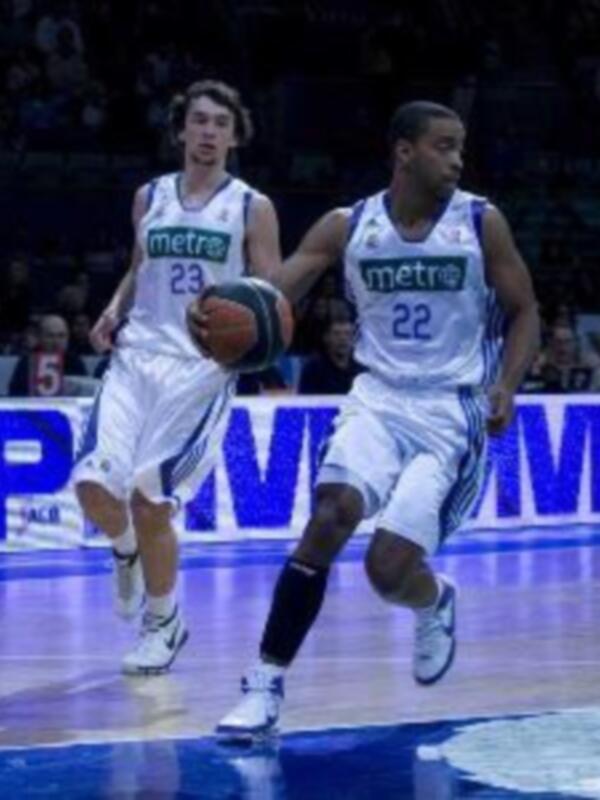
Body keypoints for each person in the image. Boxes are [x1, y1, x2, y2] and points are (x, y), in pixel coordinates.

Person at [216, 100, 540, 739]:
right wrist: (228, 314)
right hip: (377, 397)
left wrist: (506, 385)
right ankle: (265, 683)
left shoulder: (481, 222)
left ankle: (433, 598)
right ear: (404, 151)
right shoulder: (348, 224)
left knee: (387, 570)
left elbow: (525, 310)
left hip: (452, 410)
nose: (457, 159)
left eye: (460, 148)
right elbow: (275, 294)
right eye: (444, 146)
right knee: (330, 514)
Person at [72, 80, 281, 675]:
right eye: (200, 120)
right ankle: (126, 552)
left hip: (200, 370)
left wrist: (237, 335)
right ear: (181, 129)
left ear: (235, 136)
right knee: (91, 484)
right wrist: (115, 308)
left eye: (221, 122)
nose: (210, 131)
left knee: (149, 496)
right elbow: (139, 269)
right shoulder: (150, 197)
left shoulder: (250, 207)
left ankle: (164, 622)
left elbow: (272, 298)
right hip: (136, 357)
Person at [8, 313, 87, 396]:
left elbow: (85, 391)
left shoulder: (75, 362)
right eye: (50, 336)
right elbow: (15, 393)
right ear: (40, 337)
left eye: (61, 336)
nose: (56, 342)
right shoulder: (28, 361)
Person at [298, 316, 362, 394]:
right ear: (326, 338)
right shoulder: (313, 369)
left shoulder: (362, 368)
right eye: (336, 334)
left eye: (348, 333)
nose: (343, 338)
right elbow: (306, 402)